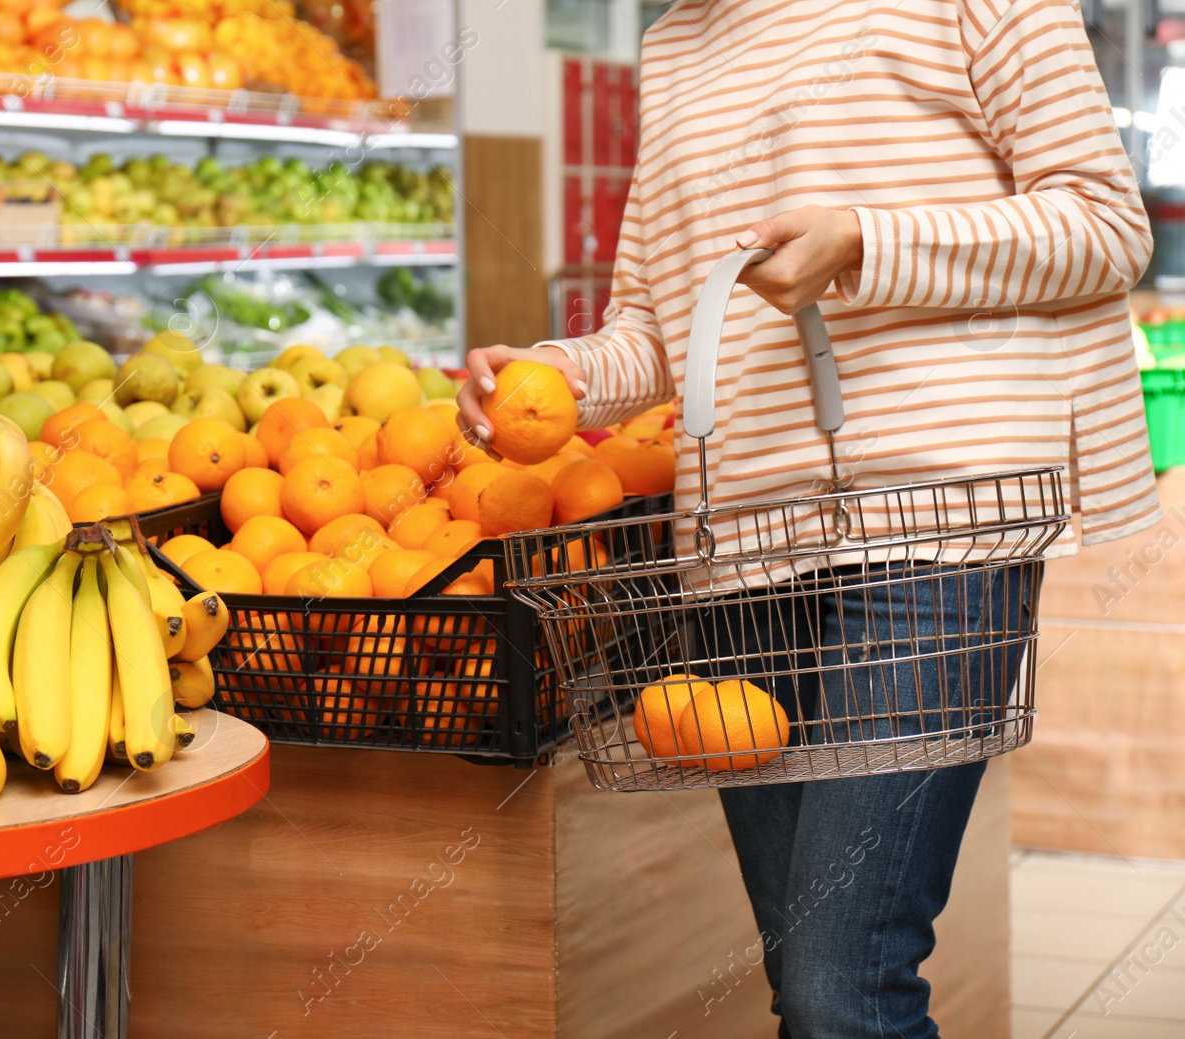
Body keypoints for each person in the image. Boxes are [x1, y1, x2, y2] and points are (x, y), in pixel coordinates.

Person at [457, 0, 1160, 1035]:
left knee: (845, 986)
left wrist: (867, 239)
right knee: (812, 986)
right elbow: (656, 328)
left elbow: (1106, 227)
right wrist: (555, 371)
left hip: (941, 526)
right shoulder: (678, 39)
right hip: (747, 552)